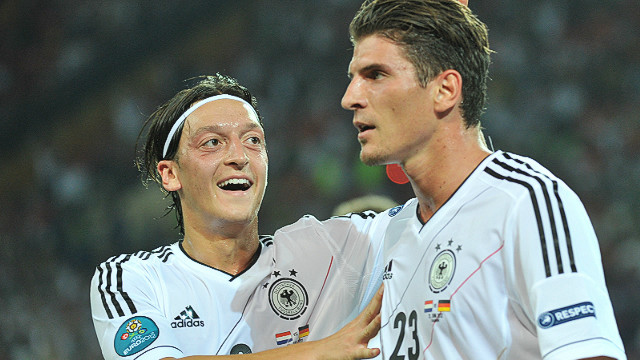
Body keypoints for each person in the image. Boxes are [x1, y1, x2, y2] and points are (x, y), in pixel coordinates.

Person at [341, 0, 627, 359]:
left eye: (375, 75)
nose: (350, 98)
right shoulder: (390, 234)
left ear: (445, 90)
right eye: (352, 78)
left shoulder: (527, 203)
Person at [90, 73, 394, 360]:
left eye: (253, 140)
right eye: (212, 142)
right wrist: (319, 351)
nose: (240, 156)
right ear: (170, 174)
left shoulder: (327, 250)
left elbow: (434, 215)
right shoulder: (132, 279)